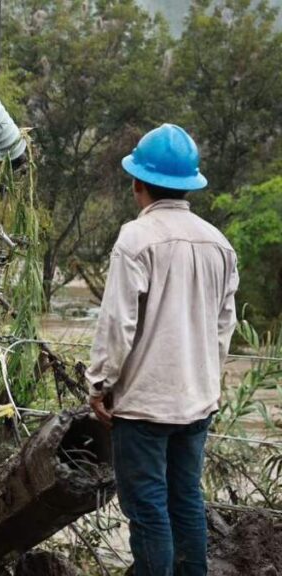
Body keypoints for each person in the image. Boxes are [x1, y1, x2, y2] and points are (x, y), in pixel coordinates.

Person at [86, 124, 238, 576]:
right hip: (197, 402)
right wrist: (207, 381)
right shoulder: (219, 244)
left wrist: (100, 384)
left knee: (148, 508)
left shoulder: (135, 239)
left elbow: (118, 324)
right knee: (186, 499)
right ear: (190, 184)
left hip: (144, 407)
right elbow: (224, 328)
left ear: (138, 182)